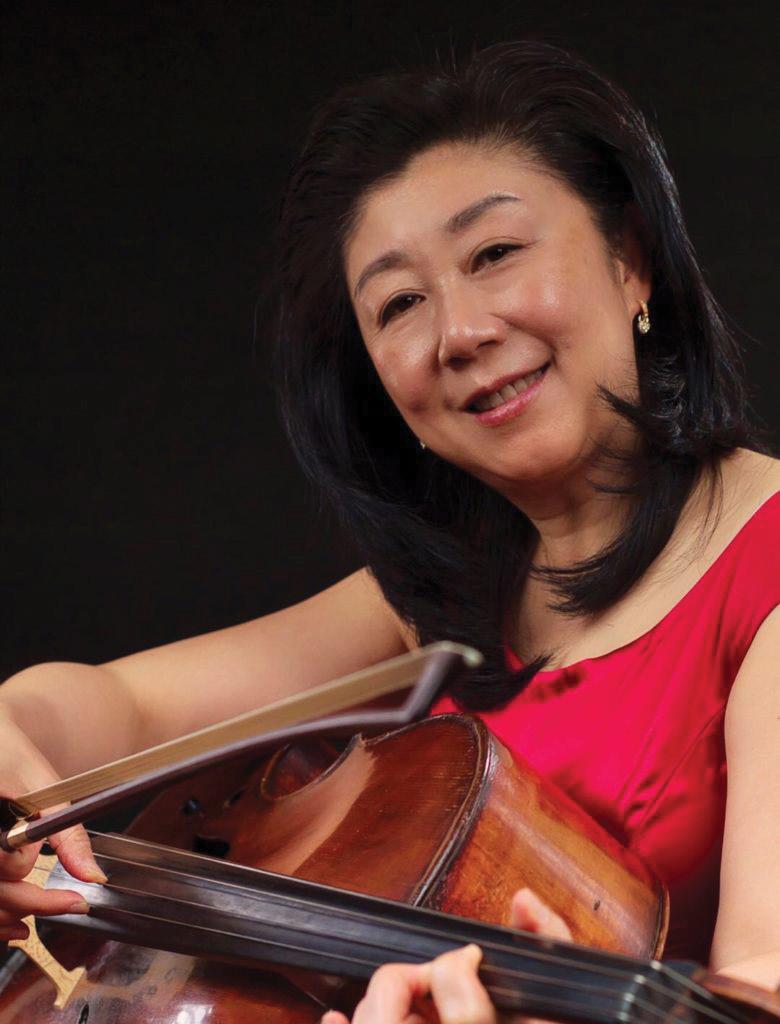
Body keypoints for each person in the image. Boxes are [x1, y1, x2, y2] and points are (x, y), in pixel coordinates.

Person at [1, 41, 778, 1023]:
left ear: (633, 260)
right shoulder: (443, 598)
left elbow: (766, 979)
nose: (459, 332)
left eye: (495, 254)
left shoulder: (766, 568)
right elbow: (122, 707)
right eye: (401, 303)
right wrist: (13, 730)